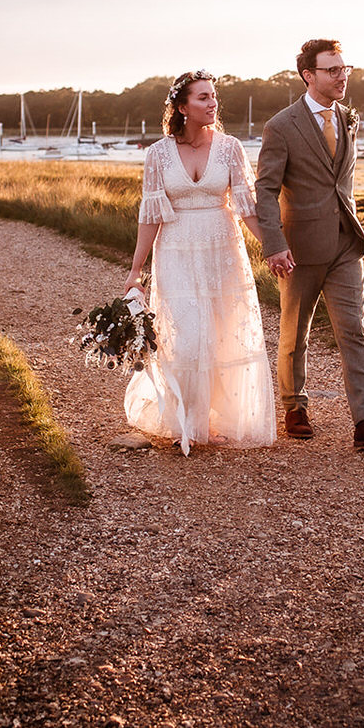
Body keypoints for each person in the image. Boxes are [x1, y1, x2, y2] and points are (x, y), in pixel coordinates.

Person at [122, 70, 276, 455]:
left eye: (213, 97)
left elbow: (247, 207)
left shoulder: (230, 148)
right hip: (174, 250)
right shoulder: (157, 154)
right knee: (186, 337)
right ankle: (185, 420)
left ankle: (210, 419)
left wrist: (275, 247)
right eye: (203, 98)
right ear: (182, 106)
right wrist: (135, 271)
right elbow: (150, 216)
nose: (212, 104)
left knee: (220, 333)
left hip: (222, 249)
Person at [255, 39, 364, 449]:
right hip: (297, 249)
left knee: (354, 330)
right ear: (308, 75)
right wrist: (274, 244)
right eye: (332, 70)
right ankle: (294, 407)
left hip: (346, 245)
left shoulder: (348, 118)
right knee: (294, 333)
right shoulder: (281, 126)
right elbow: (265, 190)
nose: (342, 76)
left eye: (344, 68)